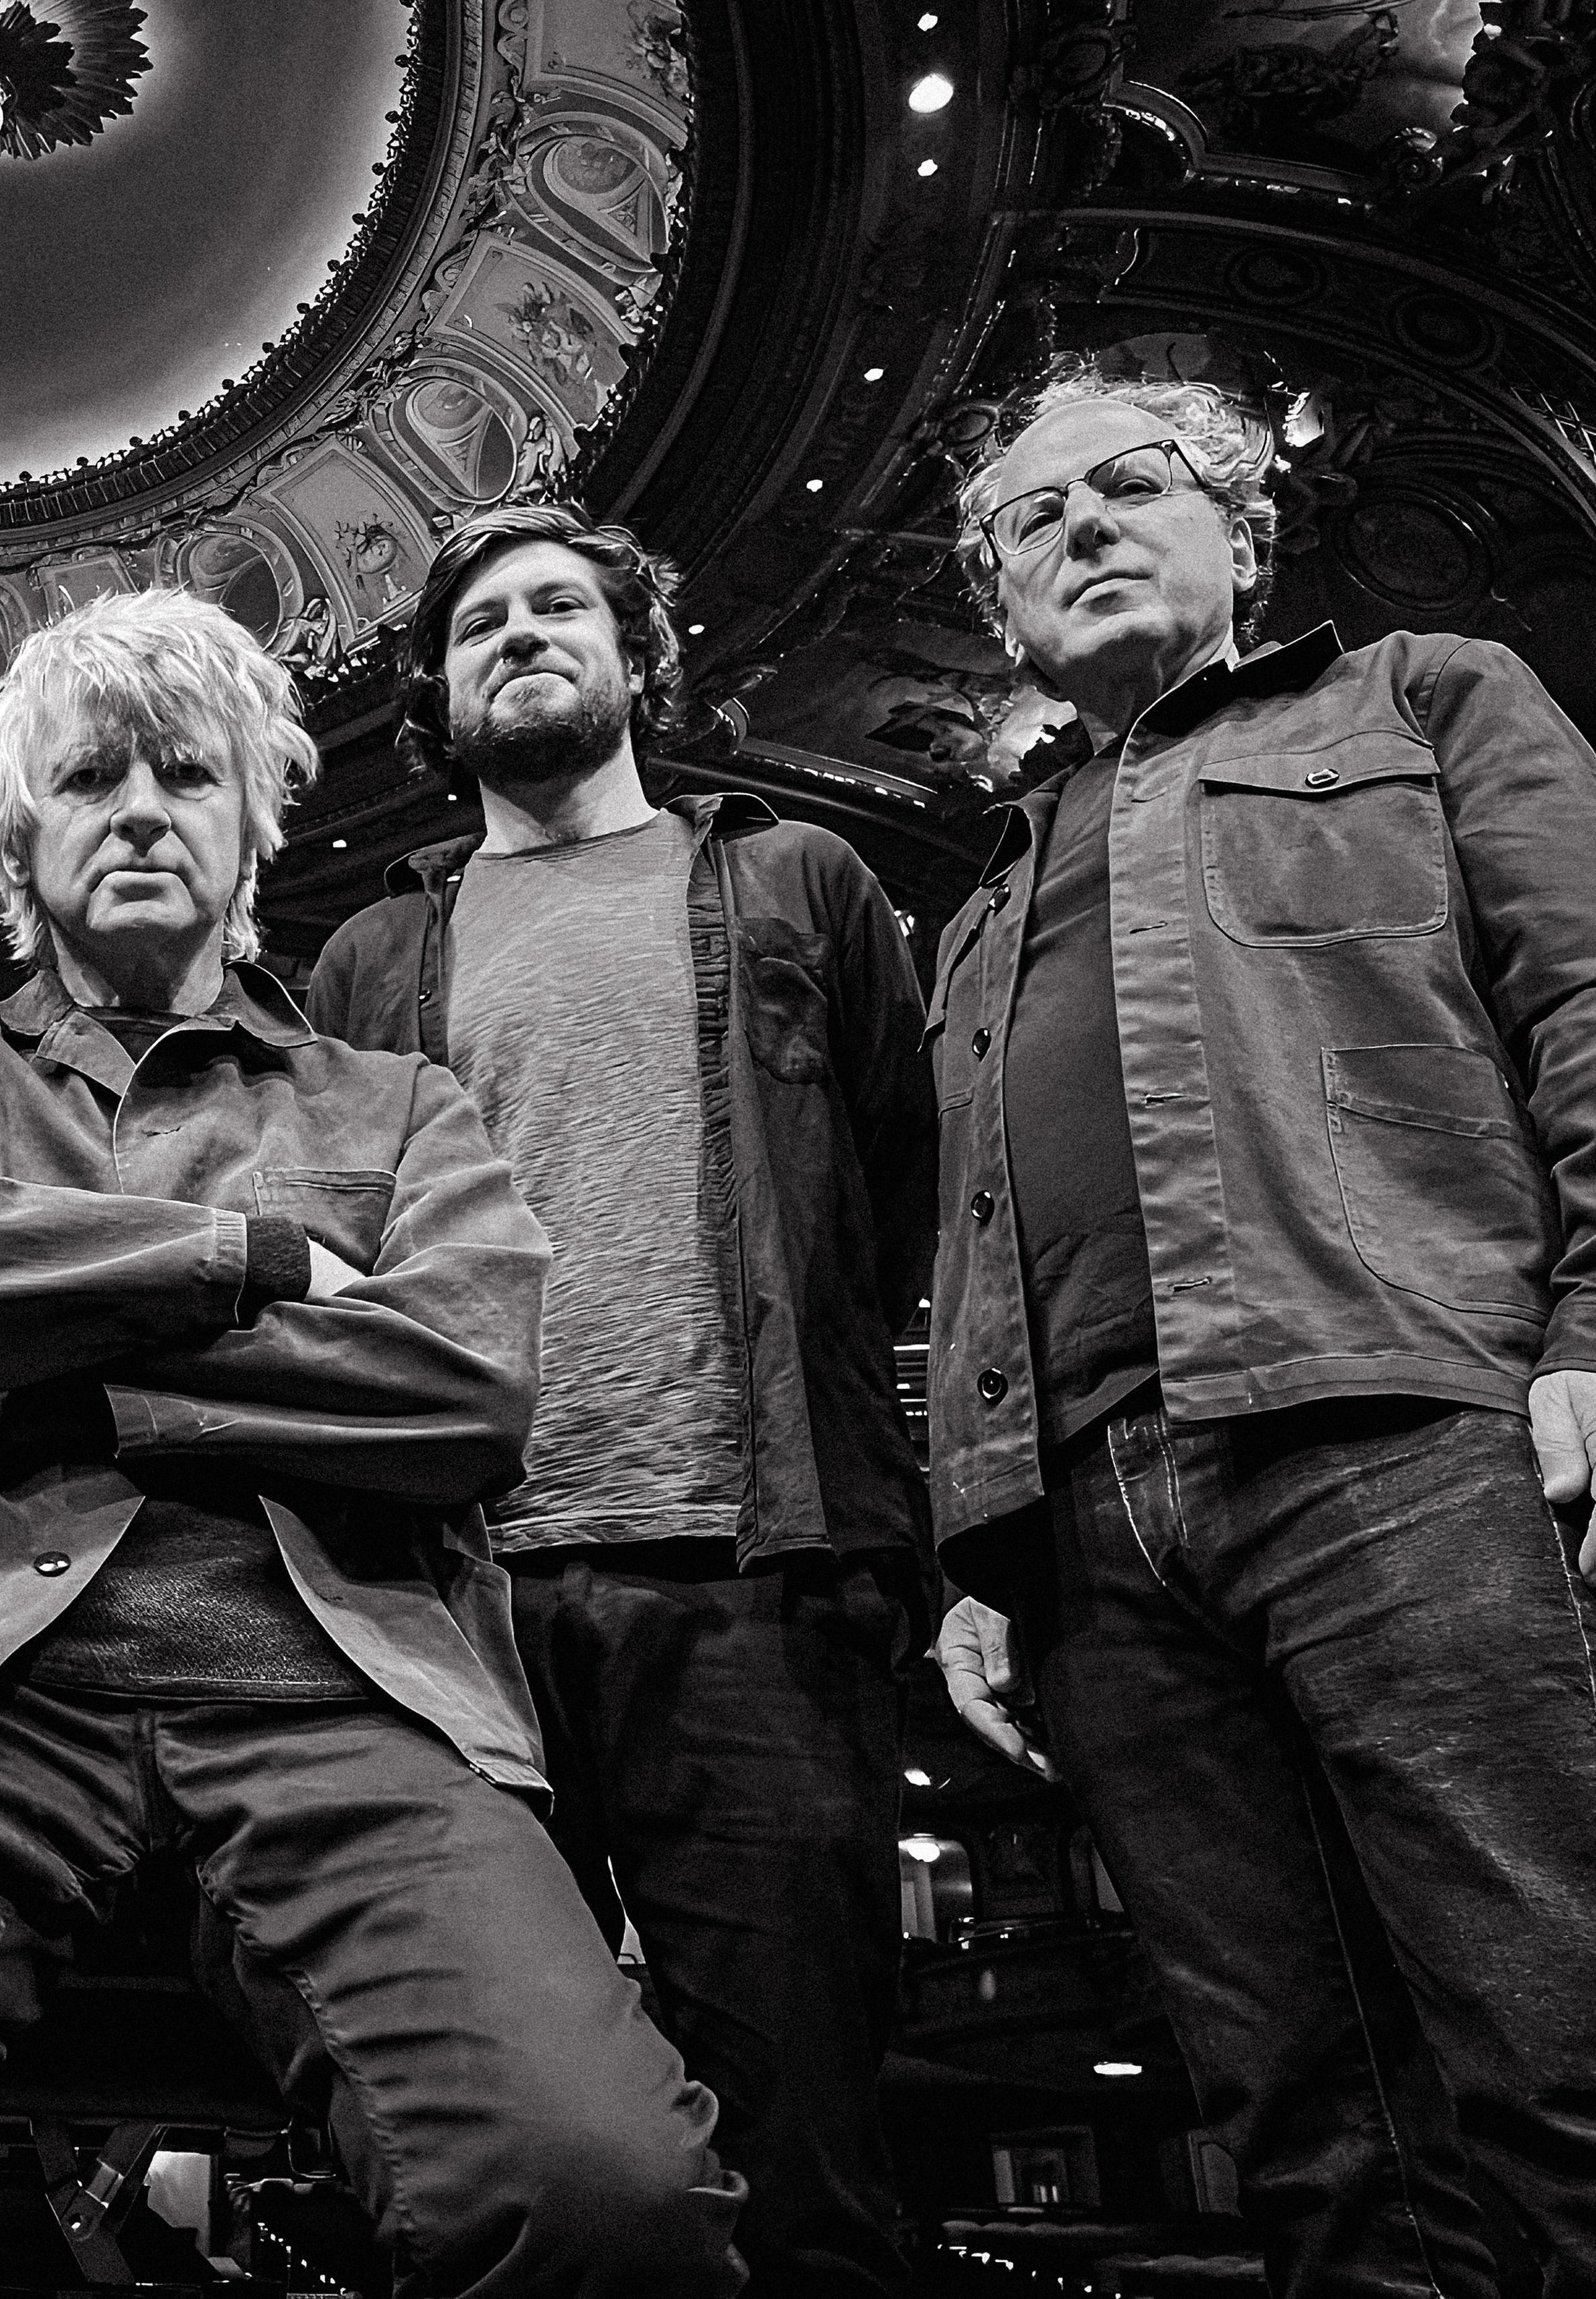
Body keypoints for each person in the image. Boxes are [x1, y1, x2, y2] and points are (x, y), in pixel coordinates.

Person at [0, 589, 748, 2299]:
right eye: (87, 780)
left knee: (613, 2191)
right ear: (21, 844)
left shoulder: (402, 1105)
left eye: (184, 774)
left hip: (349, 1699)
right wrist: (253, 1263)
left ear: (249, 832)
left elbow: (467, 1383)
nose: (139, 807)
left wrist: (73, 1360)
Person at [925, 362, 1596, 2294]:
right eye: (1028, 521)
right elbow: (982, 1248)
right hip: (1094, 1550)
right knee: (1316, 2144)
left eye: (1130, 485)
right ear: (998, 604)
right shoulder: (975, 905)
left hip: (1405, 1446)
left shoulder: (1422, 697)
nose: (1078, 527)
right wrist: (984, 1553)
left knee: (1589, 2072)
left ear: (1242, 535)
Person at [307, 502, 937, 2295]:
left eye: (559, 607)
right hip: (454, 1603)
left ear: (637, 655)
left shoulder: (799, 881)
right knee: (483, 2140)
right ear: (436, 691)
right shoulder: (367, 961)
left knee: (805, 2143)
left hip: (754, 1585)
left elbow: (894, 1192)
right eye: (480, 621)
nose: (519, 633)